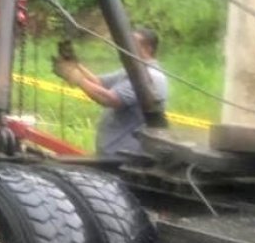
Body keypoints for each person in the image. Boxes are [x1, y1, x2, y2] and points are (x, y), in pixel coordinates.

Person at [53, 27, 169, 157]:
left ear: (148, 49)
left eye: (131, 43)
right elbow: (100, 83)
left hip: (124, 157)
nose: (126, 47)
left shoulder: (150, 77)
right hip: (113, 152)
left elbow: (110, 99)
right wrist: (75, 64)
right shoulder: (134, 71)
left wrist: (77, 78)